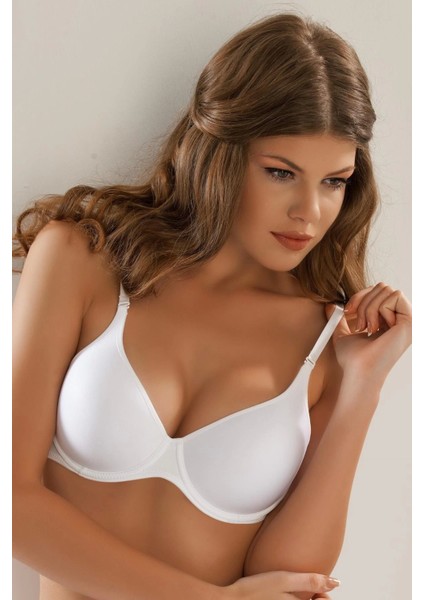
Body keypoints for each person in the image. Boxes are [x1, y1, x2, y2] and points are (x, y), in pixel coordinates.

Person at [12, 12, 411, 600]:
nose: (309, 212)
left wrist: (363, 387)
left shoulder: (327, 340)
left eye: (334, 181)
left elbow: (294, 577)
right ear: (219, 153)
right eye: (281, 173)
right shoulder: (83, 258)